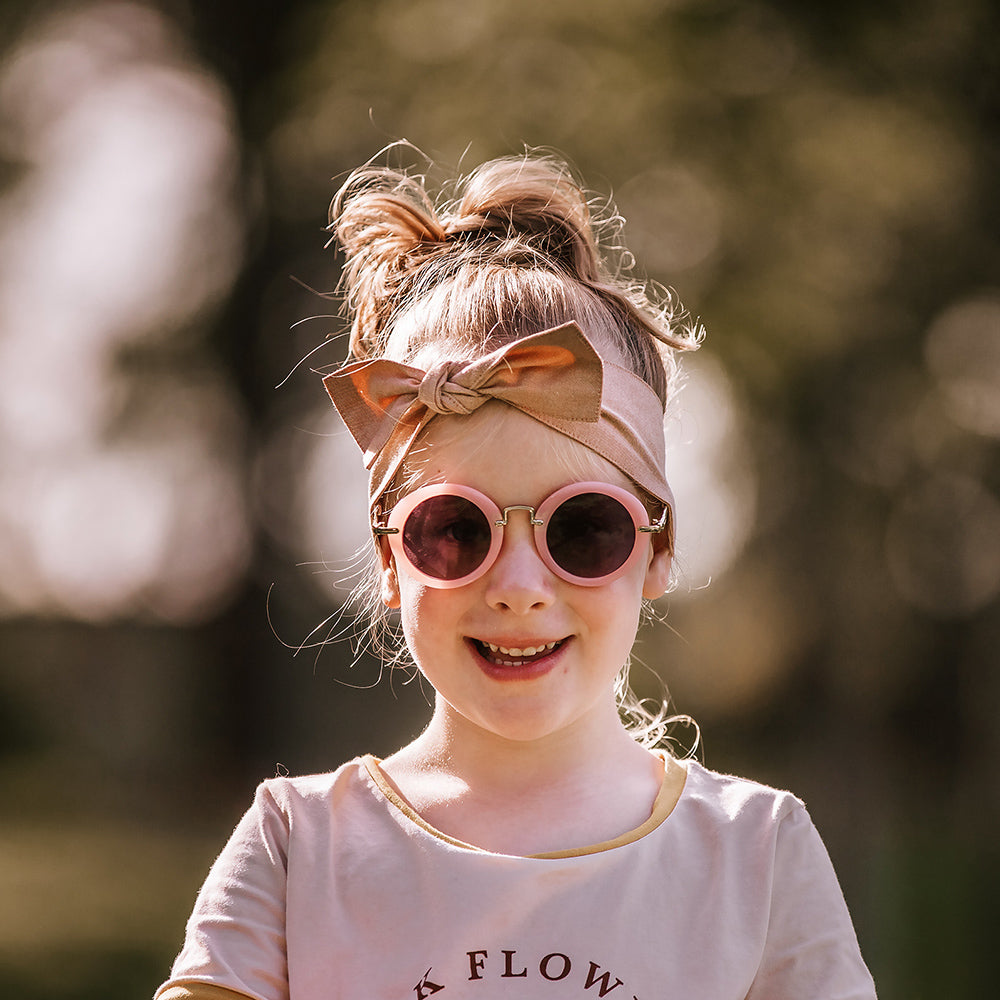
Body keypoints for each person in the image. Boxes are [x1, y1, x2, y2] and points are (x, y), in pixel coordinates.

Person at [155, 151, 877, 1000]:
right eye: (455, 530)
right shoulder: (295, 851)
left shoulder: (757, 856)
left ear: (658, 549)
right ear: (390, 558)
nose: (521, 586)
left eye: (585, 529)